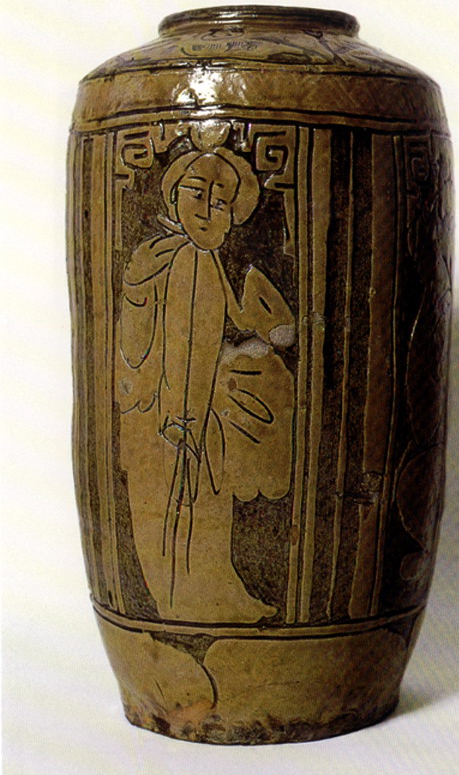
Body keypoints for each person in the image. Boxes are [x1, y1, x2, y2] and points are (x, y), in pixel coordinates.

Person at [116, 137, 295, 623]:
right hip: (167, 416)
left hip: (200, 413)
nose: (207, 210)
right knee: (174, 511)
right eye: (197, 193)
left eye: (220, 204)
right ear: (174, 196)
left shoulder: (207, 261)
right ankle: (181, 602)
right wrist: (176, 415)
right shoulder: (165, 260)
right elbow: (158, 348)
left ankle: (212, 595)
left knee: (208, 509)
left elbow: (227, 327)